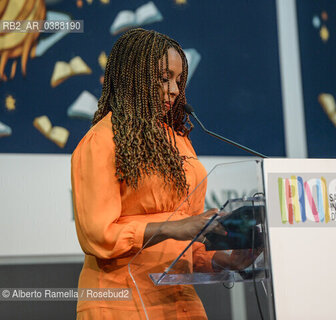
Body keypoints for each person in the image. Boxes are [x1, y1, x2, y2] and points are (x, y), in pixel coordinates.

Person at [71, 28, 253, 320]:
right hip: (121, 302)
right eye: (164, 78)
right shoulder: (102, 140)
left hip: (179, 301)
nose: (175, 90)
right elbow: (98, 236)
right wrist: (171, 227)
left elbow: (189, 244)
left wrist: (226, 259)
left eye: (179, 81)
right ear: (134, 76)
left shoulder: (179, 140)